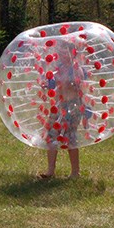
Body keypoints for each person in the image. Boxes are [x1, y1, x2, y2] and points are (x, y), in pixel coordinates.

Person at [38, 47, 85, 180]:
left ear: (72, 54)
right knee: (51, 136)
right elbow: (55, 84)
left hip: (73, 106)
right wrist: (48, 85)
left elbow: (77, 86)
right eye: (61, 52)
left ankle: (75, 172)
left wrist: (64, 83)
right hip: (59, 106)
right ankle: (50, 171)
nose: (62, 54)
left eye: (65, 52)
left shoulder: (76, 69)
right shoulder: (59, 68)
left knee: (70, 138)